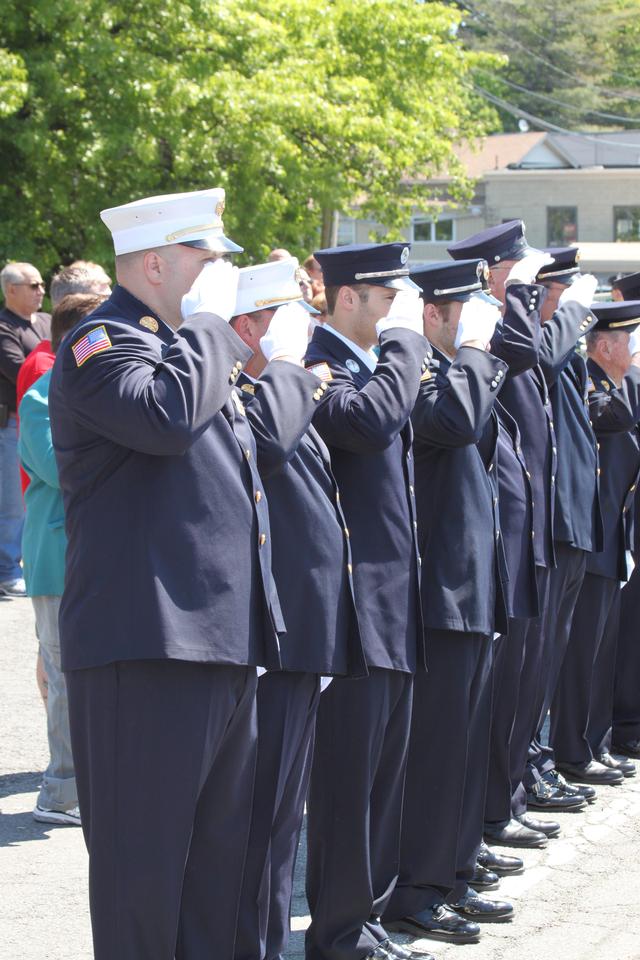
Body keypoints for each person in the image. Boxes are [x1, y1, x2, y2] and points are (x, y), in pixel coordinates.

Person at [48, 187, 290, 960]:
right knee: (142, 882)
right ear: (154, 264)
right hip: (144, 647)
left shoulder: (190, 349)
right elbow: (164, 420)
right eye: (205, 257)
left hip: (217, 642)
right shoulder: (102, 343)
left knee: (216, 877)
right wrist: (215, 325)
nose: (220, 272)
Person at [229, 257, 364, 960]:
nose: (306, 331)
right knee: (259, 823)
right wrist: (287, 369)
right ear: (251, 327)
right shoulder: (249, 396)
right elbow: (270, 447)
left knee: (283, 821)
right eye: (290, 318)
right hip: (273, 643)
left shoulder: (284, 389)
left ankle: (269, 942)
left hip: (305, 635)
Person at [303, 242, 432, 960]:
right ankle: (339, 932)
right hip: (351, 607)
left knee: (384, 776)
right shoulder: (322, 367)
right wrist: (409, 344)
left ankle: (368, 921)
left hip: (390, 602)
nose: (393, 315)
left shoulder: (365, 365)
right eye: (386, 301)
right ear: (348, 296)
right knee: (348, 787)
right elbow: (370, 423)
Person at [383, 258, 513, 947]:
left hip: (468, 580)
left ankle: (451, 876)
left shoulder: (456, 369)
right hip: (435, 589)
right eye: (462, 311)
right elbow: (457, 422)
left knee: (460, 746)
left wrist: (474, 354)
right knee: (434, 754)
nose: (475, 325)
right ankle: (416, 892)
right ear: (430, 315)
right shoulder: (419, 377)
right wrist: (469, 352)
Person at [449, 223, 560, 849]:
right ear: (493, 271)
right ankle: (490, 812)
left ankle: (503, 801)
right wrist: (516, 293)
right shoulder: (488, 319)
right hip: (500, 530)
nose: (531, 290)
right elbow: (523, 349)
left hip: (528, 526)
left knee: (520, 675)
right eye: (517, 273)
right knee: (497, 683)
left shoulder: (501, 314)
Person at [19, 292, 107, 827]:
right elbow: (61, 469)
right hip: (58, 557)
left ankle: (91, 784)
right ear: (78, 339)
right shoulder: (39, 399)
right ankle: (61, 793)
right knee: (64, 674)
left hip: (96, 553)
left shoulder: (91, 390)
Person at [523, 248, 601, 810]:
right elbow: (542, 360)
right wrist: (568, 313)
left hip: (570, 520)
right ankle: (525, 764)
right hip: (543, 527)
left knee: (549, 660)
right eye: (558, 290)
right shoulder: (531, 339)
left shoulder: (560, 341)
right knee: (531, 665)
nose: (564, 301)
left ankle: (536, 759)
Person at [551, 301, 640, 786]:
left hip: (610, 536)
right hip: (592, 534)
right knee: (581, 655)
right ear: (603, 346)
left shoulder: (611, 380)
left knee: (601, 651)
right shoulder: (590, 383)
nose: (633, 351)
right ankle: (572, 748)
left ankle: (595, 742)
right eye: (626, 342)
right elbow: (620, 418)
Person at [17, 260, 112, 493]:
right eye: (103, 297)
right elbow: (57, 470)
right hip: (59, 518)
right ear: (71, 307)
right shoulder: (43, 372)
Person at [0, 261, 50, 596]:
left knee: (38, 496)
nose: (40, 290)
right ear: (11, 289)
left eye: (42, 284)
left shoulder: (46, 322)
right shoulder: (4, 327)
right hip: (11, 422)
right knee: (13, 501)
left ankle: (20, 563)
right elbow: (16, 368)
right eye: (33, 285)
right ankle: (6, 570)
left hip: (45, 418)